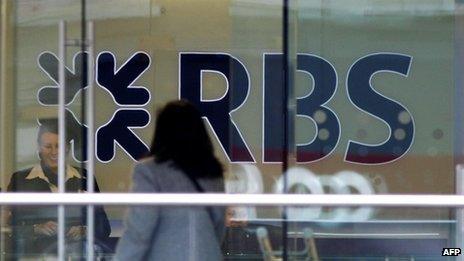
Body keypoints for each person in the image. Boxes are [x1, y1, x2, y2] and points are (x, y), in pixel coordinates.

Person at [115, 100, 225, 261]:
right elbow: (219, 224)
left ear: (162, 133)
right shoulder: (212, 171)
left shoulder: (149, 170)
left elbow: (139, 229)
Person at [7, 119, 111, 256]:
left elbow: (104, 227)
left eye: (59, 146)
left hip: (77, 255)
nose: (54, 152)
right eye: (48, 146)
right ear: (38, 147)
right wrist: (35, 229)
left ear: (67, 147)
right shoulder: (20, 180)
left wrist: (85, 230)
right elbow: (7, 228)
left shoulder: (85, 178)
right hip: (34, 256)